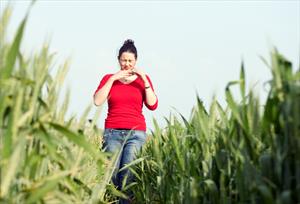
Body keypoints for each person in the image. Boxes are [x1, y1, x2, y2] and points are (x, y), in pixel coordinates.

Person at [93, 39, 158, 203]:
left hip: (136, 134)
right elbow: (97, 101)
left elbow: (153, 105)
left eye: (130, 61)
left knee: (128, 177)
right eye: (124, 60)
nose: (127, 64)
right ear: (118, 60)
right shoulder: (109, 78)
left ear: (136, 61)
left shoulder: (143, 80)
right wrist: (113, 79)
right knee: (112, 175)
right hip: (112, 133)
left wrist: (144, 79)